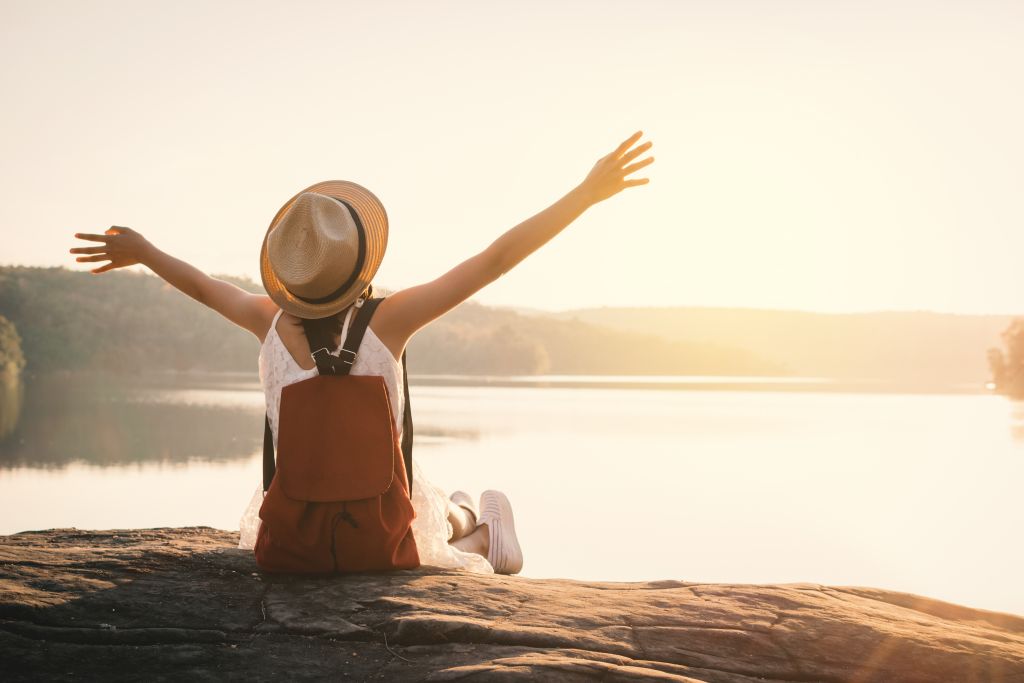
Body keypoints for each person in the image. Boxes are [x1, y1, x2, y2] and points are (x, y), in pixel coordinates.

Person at [69, 130, 655, 574]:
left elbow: (201, 286)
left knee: (423, 492)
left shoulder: (264, 319)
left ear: (288, 276)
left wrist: (145, 252)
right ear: (358, 265)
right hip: (380, 543)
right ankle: (477, 531)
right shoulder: (391, 320)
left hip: (293, 544)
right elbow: (495, 260)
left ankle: (467, 514)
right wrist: (584, 194)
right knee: (427, 503)